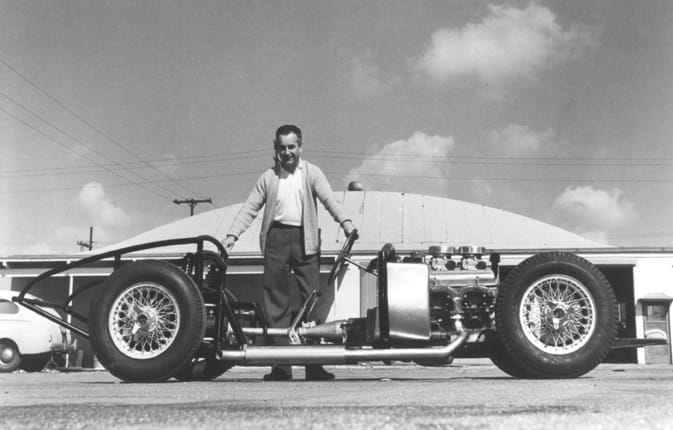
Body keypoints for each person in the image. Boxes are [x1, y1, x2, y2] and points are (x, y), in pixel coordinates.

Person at [222, 124, 357, 381]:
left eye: (291, 147)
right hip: (276, 240)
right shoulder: (268, 177)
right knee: (277, 303)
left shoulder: (312, 173)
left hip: (306, 240)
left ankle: (314, 366)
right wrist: (231, 236)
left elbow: (329, 200)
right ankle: (281, 367)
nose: (287, 152)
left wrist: (346, 223)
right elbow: (249, 208)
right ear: (276, 149)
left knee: (311, 301)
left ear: (300, 147)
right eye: (282, 148)